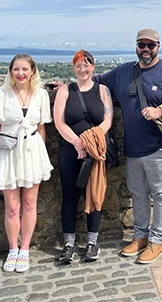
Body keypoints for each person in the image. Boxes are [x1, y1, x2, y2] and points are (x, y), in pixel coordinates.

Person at [94, 28, 162, 264]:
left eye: (151, 45)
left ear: (158, 46)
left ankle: (157, 241)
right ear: (136, 46)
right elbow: (96, 82)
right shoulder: (123, 72)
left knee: (161, 194)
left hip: (159, 146)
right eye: (142, 45)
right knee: (138, 194)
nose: (146, 50)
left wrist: (160, 111)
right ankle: (140, 237)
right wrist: (66, 87)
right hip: (133, 148)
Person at [0, 53, 53, 273]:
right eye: (16, 69)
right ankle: (13, 249)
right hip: (8, 153)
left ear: (33, 71)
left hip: (33, 151)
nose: (20, 73)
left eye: (24, 69)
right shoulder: (0, 94)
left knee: (30, 203)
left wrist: (41, 157)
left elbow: (41, 128)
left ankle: (25, 250)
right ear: (10, 71)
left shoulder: (41, 95)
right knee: (12, 206)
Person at [53, 50, 113, 263]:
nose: (82, 69)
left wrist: (89, 142)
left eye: (86, 65)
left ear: (93, 66)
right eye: (78, 65)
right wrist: (78, 143)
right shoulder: (65, 91)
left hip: (94, 152)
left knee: (94, 194)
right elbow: (59, 122)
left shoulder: (102, 90)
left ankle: (91, 242)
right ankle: (68, 244)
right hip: (70, 151)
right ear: (74, 67)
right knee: (69, 197)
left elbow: (107, 121)